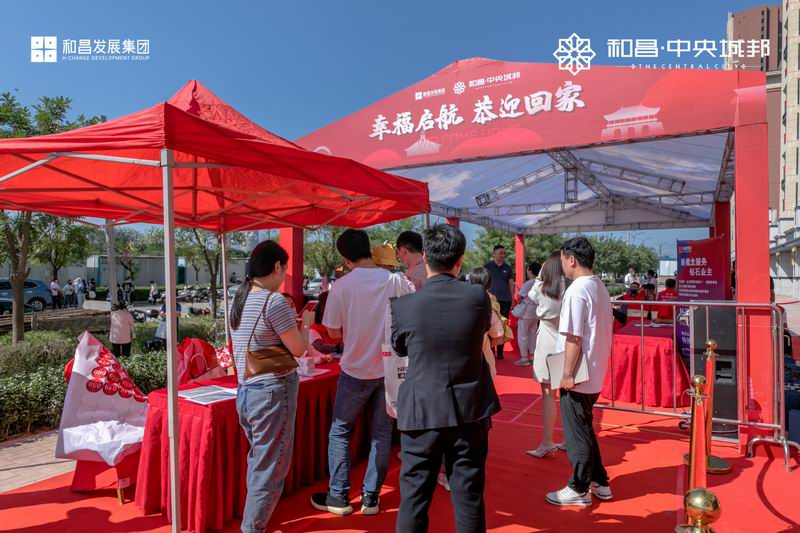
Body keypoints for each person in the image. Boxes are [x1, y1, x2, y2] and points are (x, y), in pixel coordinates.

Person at [391, 224, 501, 533]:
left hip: (421, 409)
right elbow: (482, 329)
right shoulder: (477, 297)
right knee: (468, 497)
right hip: (469, 409)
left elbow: (400, 347)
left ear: (425, 257)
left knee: (414, 499)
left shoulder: (404, 305)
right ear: (460, 260)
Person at [311, 229, 414, 517]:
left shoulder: (342, 286)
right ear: (369, 249)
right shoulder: (395, 280)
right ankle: (371, 497)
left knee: (341, 431)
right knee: (381, 434)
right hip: (388, 368)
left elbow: (333, 331)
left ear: (345, 258)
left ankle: (339, 495)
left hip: (355, 369)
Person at [229, 240, 308, 533]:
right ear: (277, 267)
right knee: (270, 467)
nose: (284, 276)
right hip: (272, 391)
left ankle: (253, 522)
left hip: (246, 390)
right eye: (284, 270)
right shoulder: (274, 302)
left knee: (260, 461)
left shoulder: (239, 298)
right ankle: (252, 528)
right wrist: (306, 323)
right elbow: (298, 349)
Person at [545, 237, 613, 507]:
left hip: (579, 374)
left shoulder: (577, 290)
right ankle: (600, 481)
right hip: (593, 370)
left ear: (571, 259)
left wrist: (567, 374)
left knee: (577, 433)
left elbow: (573, 337)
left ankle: (579, 487)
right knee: (584, 427)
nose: (561, 265)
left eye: (562, 259)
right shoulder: (599, 286)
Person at [527, 251, 567, 458]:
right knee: (568, 396)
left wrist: (540, 274)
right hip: (567, 344)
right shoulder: (569, 288)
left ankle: (547, 442)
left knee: (549, 396)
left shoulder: (541, 288)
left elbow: (530, 293)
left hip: (547, 344)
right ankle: (568, 439)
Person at [467, 267, 504, 380]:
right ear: (490, 283)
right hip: (483, 355)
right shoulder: (489, 303)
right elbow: (498, 334)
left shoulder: (463, 300)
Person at [484, 244, 514, 360]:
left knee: (503, 325)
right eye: (500, 253)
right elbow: (484, 281)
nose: (502, 255)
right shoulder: (487, 266)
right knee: (491, 324)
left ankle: (500, 352)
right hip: (491, 300)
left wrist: (512, 299)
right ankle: (491, 351)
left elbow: (511, 284)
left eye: (504, 253)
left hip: (505, 300)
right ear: (494, 253)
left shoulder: (508, 268)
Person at [514, 261, 542, 366]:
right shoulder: (541, 282)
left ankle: (524, 357)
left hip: (525, 313)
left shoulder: (529, 283)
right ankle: (533, 356)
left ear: (530, 271)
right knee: (533, 335)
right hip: (535, 313)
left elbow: (520, 296)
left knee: (523, 335)